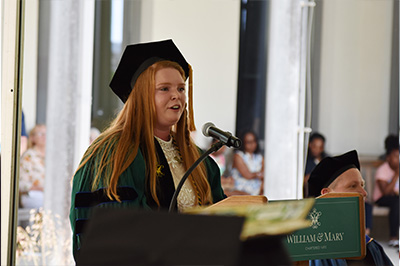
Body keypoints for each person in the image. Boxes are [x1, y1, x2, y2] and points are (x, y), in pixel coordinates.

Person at [69, 40, 226, 259]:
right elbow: (115, 228)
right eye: (164, 89)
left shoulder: (198, 159)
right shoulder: (114, 152)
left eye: (181, 88)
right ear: (141, 96)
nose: (177, 96)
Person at [308, 150, 393, 266]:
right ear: (326, 195)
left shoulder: (370, 246)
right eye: (352, 186)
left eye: (362, 185)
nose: (364, 193)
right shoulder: (309, 249)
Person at [372, 135, 399, 247]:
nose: (398, 159)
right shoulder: (382, 170)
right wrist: (397, 174)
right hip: (381, 199)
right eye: (396, 156)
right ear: (388, 158)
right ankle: (393, 237)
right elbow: (386, 192)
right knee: (396, 201)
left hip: (395, 198)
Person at [19, 124, 46, 209]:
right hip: (33, 196)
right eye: (41, 134)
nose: (44, 137)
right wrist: (40, 188)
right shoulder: (28, 156)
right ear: (33, 138)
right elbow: (21, 184)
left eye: (46, 134)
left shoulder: (53, 156)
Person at [231, 130, 264, 195]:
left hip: (258, 190)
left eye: (254, 141)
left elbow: (265, 174)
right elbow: (247, 175)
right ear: (243, 143)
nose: (252, 144)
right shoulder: (238, 156)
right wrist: (258, 174)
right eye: (249, 142)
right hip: (241, 190)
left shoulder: (259, 157)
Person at [304, 132, 328, 197]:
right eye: (315, 146)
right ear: (309, 144)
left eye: (320, 147)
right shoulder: (305, 161)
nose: (317, 150)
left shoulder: (327, 159)